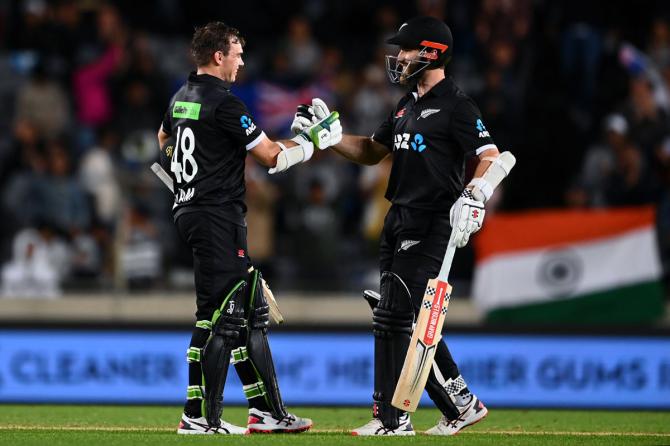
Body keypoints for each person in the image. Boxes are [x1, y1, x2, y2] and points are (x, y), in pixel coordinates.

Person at [293, 16, 510, 436]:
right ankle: (460, 402)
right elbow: (373, 151)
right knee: (399, 316)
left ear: (430, 52)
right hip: (397, 216)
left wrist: (476, 193)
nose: (399, 57)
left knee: (394, 315)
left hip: (432, 219)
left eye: (406, 50)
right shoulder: (406, 104)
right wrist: (330, 137)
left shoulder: (457, 104)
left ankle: (393, 420)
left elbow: (490, 153)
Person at [157, 21, 341, 435]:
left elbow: (163, 136)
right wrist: (313, 142)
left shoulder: (181, 96)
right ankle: (199, 416)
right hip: (218, 216)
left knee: (246, 311)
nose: (242, 61)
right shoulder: (225, 104)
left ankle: (266, 412)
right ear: (218, 56)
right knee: (220, 317)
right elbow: (271, 158)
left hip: (192, 212)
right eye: (237, 53)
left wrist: (188, 175)